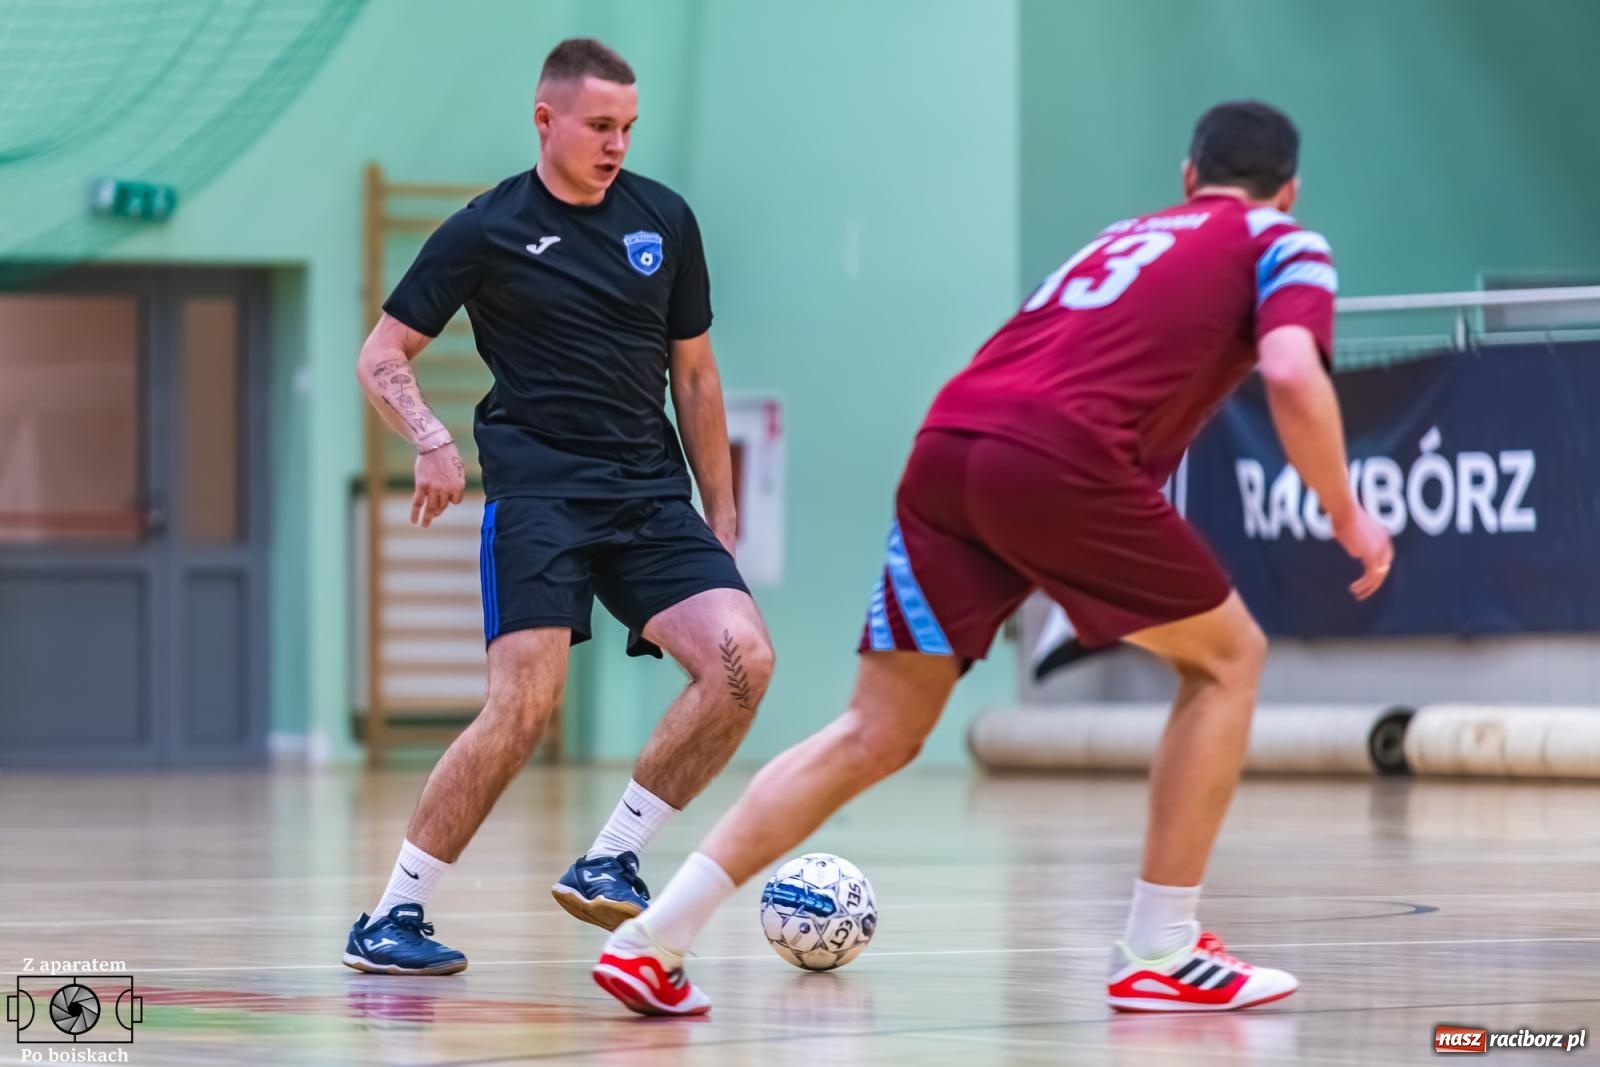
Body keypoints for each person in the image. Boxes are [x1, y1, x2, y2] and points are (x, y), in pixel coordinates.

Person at [592, 100, 1394, 1015]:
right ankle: (1161, 945)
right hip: (1058, 459)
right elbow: (1292, 371)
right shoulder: (1281, 239)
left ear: (1187, 176)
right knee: (1230, 660)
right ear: (1288, 190)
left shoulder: (1125, 238)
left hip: (949, 446)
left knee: (875, 731)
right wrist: (1348, 512)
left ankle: (654, 937)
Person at [342, 37, 775, 976]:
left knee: (744, 662)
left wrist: (722, 514)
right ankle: (393, 914)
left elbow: (696, 378)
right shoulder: (484, 229)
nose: (617, 143)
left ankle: (613, 854)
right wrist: (430, 437)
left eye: (628, 127)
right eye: (600, 126)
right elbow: (381, 355)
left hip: (650, 494)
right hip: (540, 492)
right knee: (523, 706)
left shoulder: (666, 218)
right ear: (547, 121)